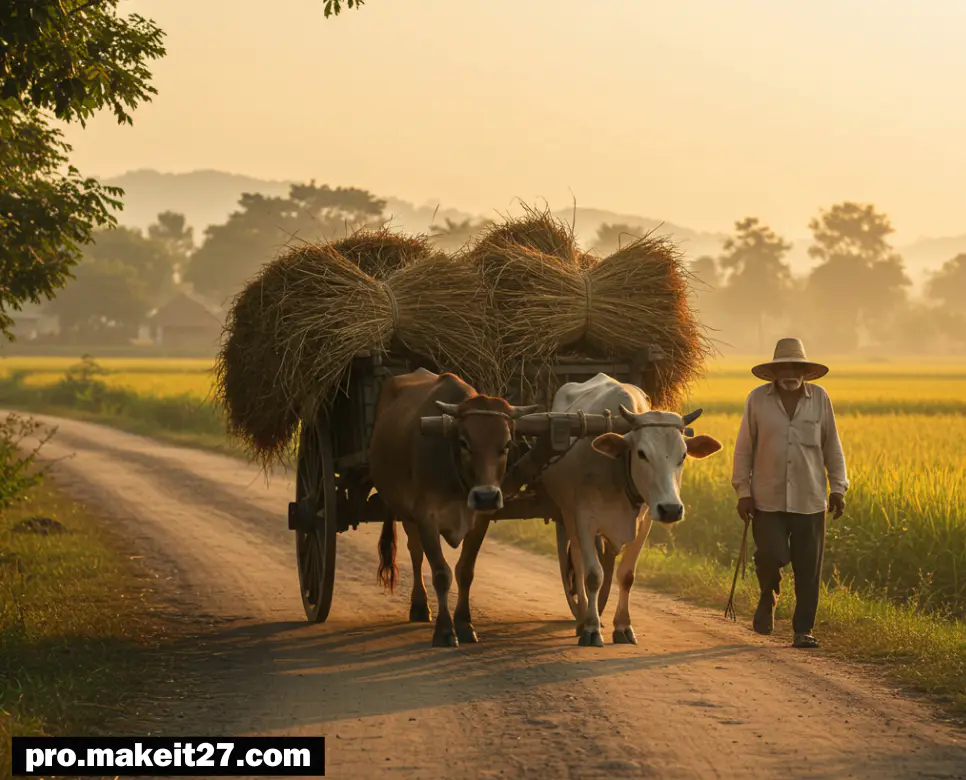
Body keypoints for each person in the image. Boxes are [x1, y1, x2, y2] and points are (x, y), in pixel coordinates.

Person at [731, 338, 848, 649]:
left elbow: (832, 446)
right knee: (770, 555)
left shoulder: (820, 399)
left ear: (805, 372)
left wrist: (838, 488)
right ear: (774, 372)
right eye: (784, 367)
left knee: (808, 568)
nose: (790, 372)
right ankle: (768, 596)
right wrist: (743, 491)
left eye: (796, 367)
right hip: (767, 497)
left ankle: (803, 630)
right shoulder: (757, 400)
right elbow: (744, 449)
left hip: (810, 498)